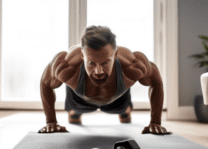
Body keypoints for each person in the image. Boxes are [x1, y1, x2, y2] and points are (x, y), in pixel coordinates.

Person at [38, 25, 170, 135]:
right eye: (91, 63)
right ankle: (75, 113)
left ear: (116, 55)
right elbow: (45, 83)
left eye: (105, 63)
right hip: (79, 100)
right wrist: (51, 122)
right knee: (74, 113)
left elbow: (156, 81)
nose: (98, 71)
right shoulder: (66, 65)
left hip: (118, 100)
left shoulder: (132, 65)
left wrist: (155, 122)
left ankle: (125, 110)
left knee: (124, 109)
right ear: (82, 55)